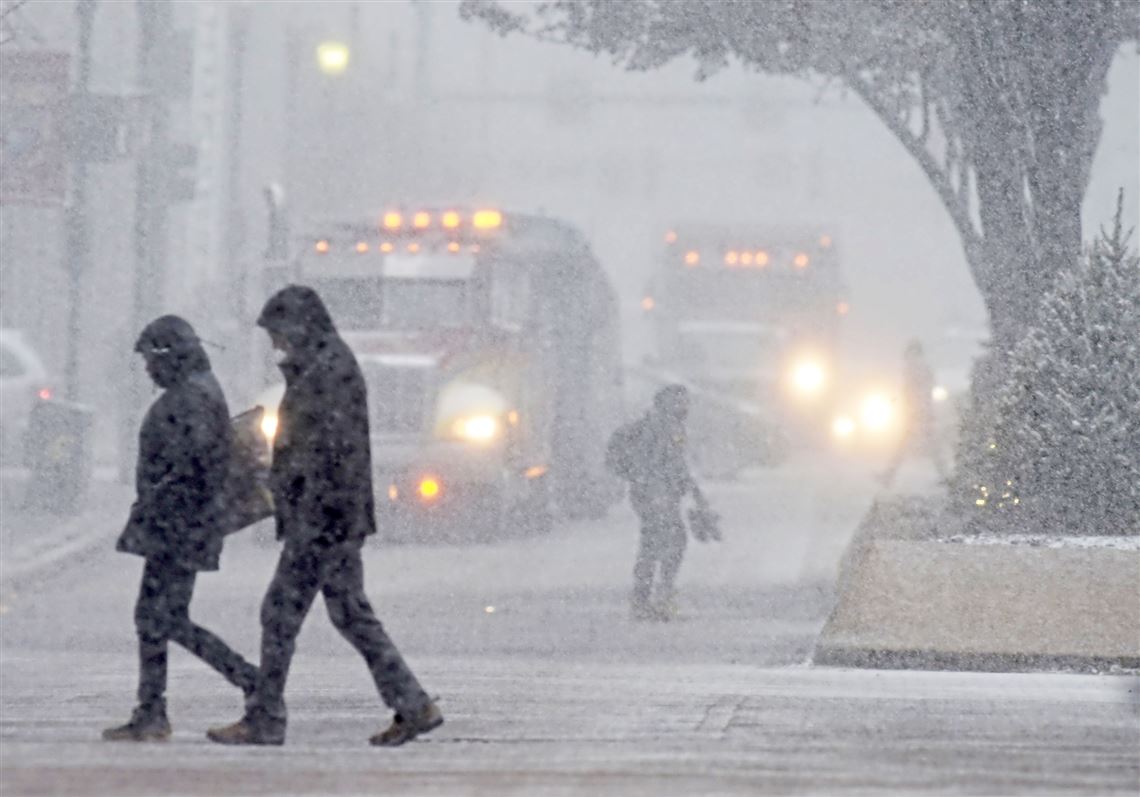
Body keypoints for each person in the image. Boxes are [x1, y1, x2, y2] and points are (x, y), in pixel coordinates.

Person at [207, 285, 441, 747]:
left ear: (299, 327)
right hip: (334, 515)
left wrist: (290, 489)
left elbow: (321, 450)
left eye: (278, 333)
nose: (276, 344)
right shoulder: (324, 365)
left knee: (280, 613)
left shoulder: (325, 371)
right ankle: (414, 705)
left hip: (322, 518)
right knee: (350, 614)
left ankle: (266, 717)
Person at [103, 315, 259, 742]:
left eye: (150, 360)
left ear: (169, 356)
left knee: (161, 617)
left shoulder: (191, 398)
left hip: (178, 528)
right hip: (180, 526)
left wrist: (159, 500)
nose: (148, 370)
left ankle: (246, 682)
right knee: (161, 618)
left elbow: (193, 465)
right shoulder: (195, 391)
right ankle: (156, 707)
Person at [607, 384, 709, 621]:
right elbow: (654, 465)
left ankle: (648, 598)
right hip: (654, 495)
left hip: (656, 495)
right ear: (667, 403)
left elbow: (676, 465)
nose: (685, 407)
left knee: (656, 544)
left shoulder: (669, 427)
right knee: (667, 542)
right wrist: (657, 493)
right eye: (680, 402)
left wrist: (693, 491)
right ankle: (657, 597)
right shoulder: (658, 429)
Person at [879, 339, 950, 486]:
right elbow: (926, 389)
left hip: (917, 413)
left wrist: (912, 408)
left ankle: (889, 474)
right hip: (922, 412)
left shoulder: (914, 369)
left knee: (905, 445)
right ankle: (944, 475)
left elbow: (914, 392)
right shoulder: (922, 368)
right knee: (930, 446)